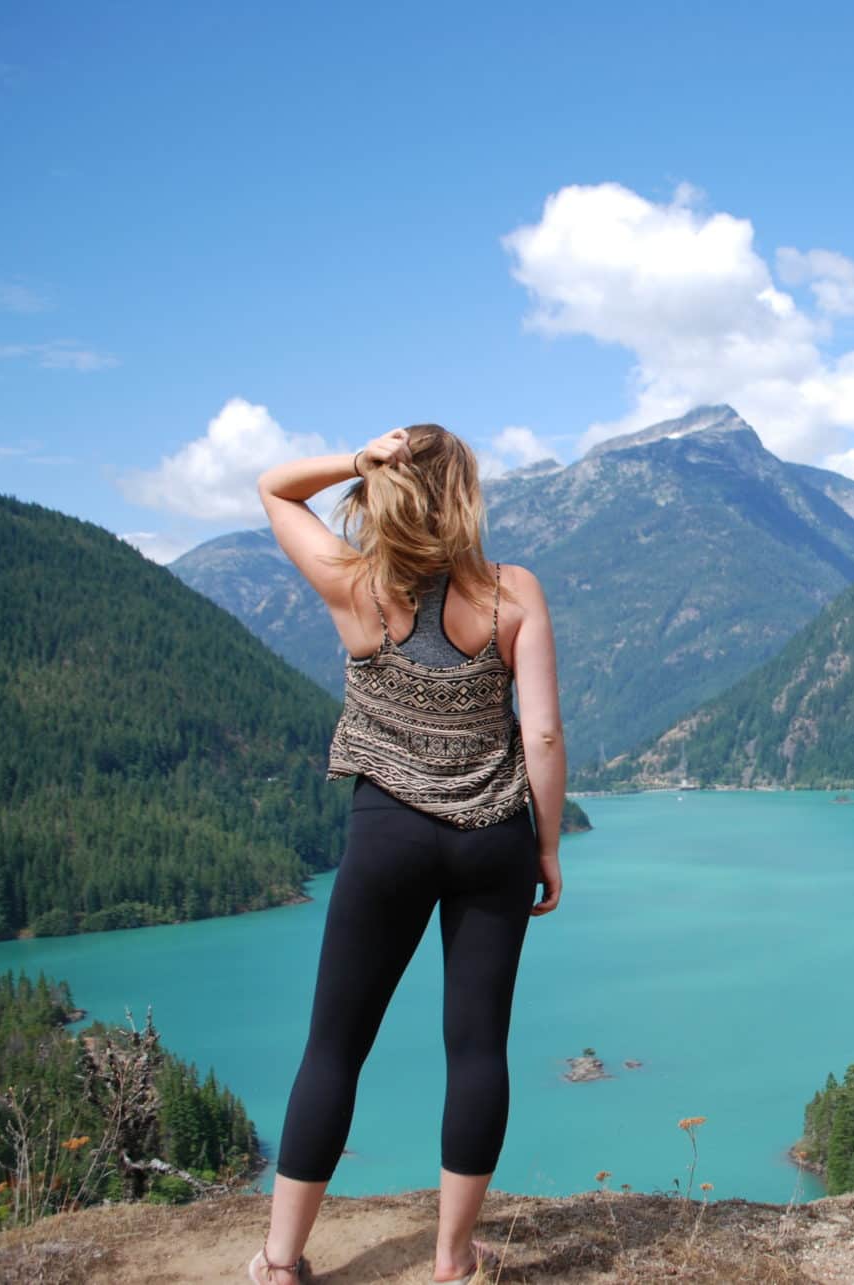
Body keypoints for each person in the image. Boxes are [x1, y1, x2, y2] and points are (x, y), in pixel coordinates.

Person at [246, 425, 566, 1285]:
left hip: (385, 836)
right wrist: (544, 845)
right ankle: (453, 1257)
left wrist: (357, 458)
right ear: (466, 494)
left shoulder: (356, 586)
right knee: (477, 1048)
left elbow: (275, 487)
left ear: (386, 486)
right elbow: (538, 731)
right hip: (492, 840)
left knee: (334, 1047)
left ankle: (279, 1262)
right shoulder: (512, 594)